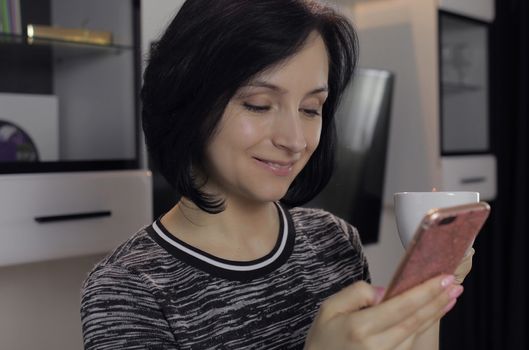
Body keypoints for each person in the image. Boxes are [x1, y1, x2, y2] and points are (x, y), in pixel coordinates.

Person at [80, 1, 473, 349]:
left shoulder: (334, 240)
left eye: (310, 109)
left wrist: (427, 290)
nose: (295, 140)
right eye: (259, 104)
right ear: (188, 102)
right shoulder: (128, 289)